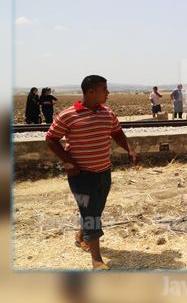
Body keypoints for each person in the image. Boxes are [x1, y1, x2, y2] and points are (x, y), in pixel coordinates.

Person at [45, 75, 136, 270]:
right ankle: (96, 260)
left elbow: (117, 132)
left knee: (95, 211)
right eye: (104, 89)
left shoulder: (107, 113)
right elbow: (51, 139)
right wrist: (68, 161)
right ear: (91, 91)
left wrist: (129, 148)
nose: (108, 92)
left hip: (104, 172)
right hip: (81, 176)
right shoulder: (68, 115)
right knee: (91, 214)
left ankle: (81, 236)